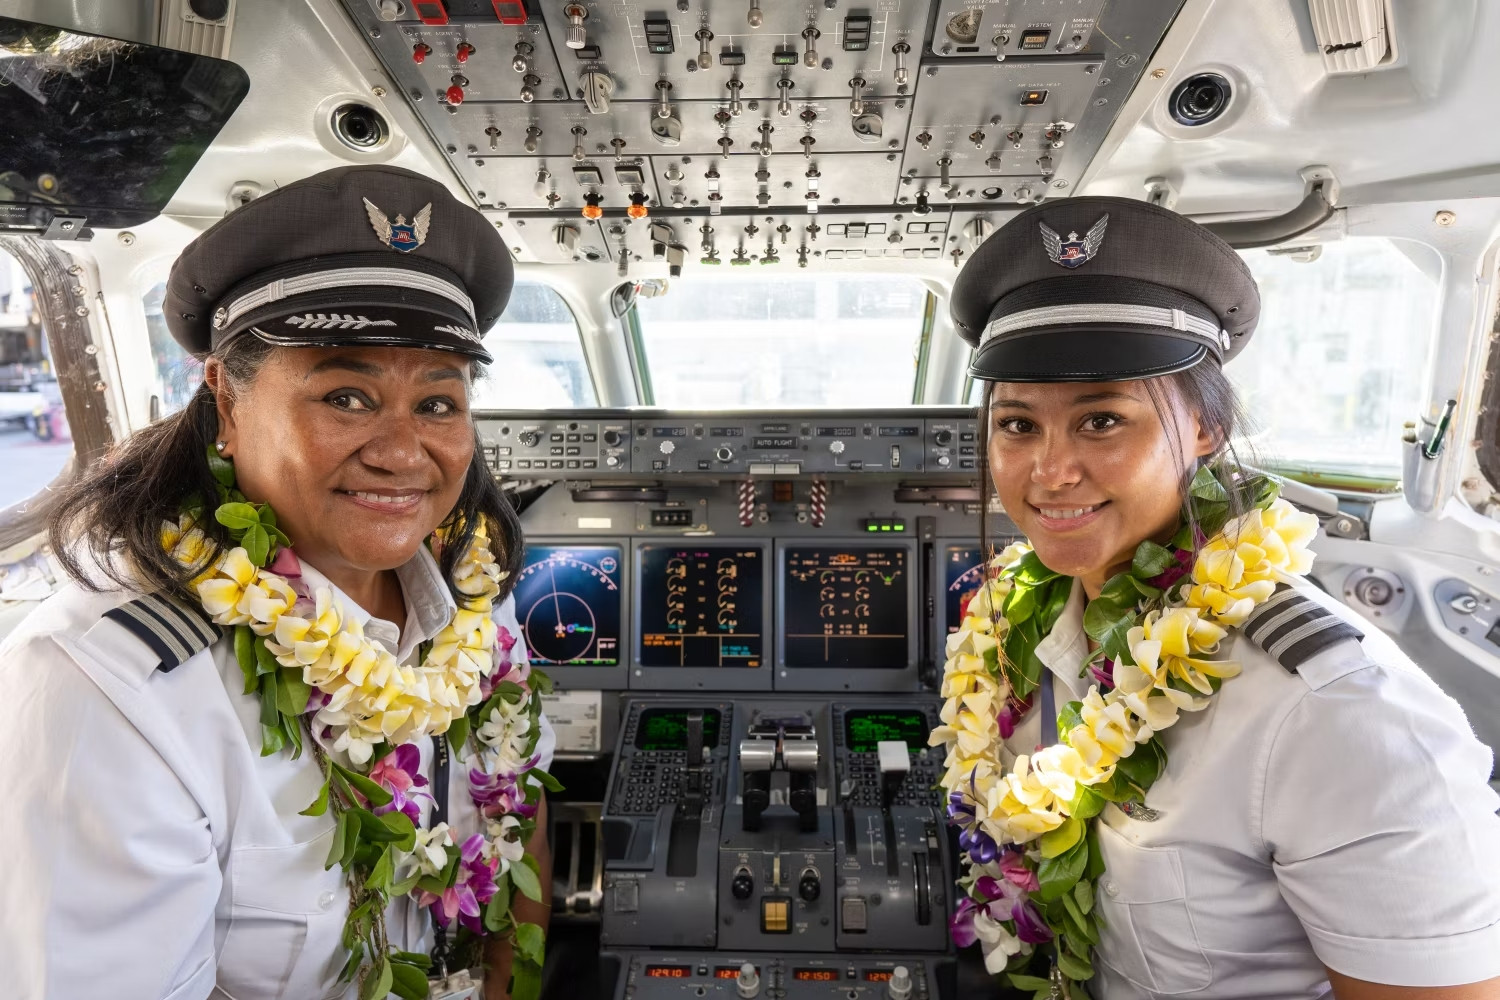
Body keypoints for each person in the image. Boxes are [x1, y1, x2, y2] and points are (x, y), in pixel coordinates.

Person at [0, 165, 556, 999]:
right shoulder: (109, 686)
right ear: (226, 402)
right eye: (347, 395)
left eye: (438, 404)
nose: (405, 453)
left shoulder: (474, 597)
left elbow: (521, 819)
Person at [934, 196, 1500, 998]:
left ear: (1204, 428)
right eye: (1018, 424)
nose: (1048, 473)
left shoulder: (1340, 717)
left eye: (1101, 420)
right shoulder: (1020, 622)